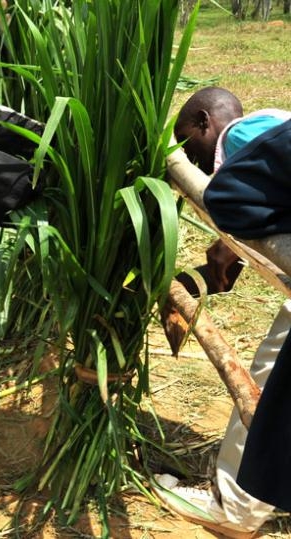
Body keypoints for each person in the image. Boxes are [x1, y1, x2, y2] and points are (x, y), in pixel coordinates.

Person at [154, 86, 291, 539]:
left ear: (202, 123)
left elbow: (233, 199)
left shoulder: (235, 143)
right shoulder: (272, 121)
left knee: (271, 383)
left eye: (188, 146)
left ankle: (235, 509)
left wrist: (230, 230)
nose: (191, 162)